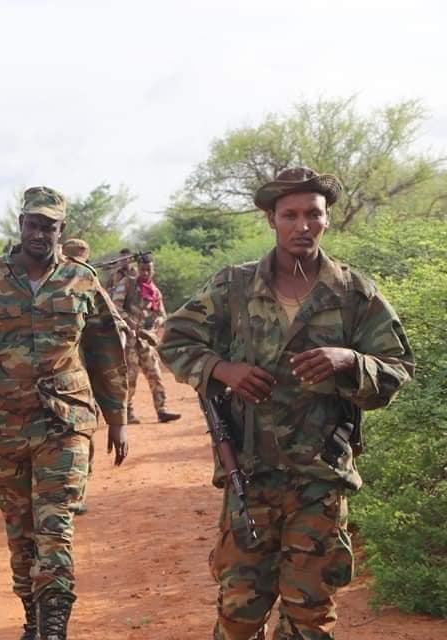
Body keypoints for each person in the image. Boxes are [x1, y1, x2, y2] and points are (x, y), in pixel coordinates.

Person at [158, 167, 414, 640]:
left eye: (313, 214)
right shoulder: (234, 287)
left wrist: (349, 361)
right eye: (290, 215)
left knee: (310, 618)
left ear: (327, 219)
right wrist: (223, 370)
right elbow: (174, 340)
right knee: (239, 614)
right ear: (271, 219)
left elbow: (397, 367)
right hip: (249, 474)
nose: (303, 226)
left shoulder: (354, 293)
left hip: (320, 480)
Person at [0, 187, 131, 640]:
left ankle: (55, 626)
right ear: (21, 225)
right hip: (7, 424)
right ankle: (33, 618)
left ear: (62, 230)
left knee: (55, 523)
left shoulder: (82, 280)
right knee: (20, 528)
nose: (40, 233)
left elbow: (106, 352)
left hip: (67, 421)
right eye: (33, 224)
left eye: (50, 226)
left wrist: (117, 418)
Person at [111, 253, 181, 424]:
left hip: (146, 341)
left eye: (149, 269)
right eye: (142, 269)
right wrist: (130, 324)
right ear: (137, 269)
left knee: (155, 375)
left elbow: (162, 314)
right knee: (130, 377)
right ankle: (127, 412)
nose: (145, 273)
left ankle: (162, 409)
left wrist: (155, 326)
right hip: (129, 340)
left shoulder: (155, 291)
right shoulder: (127, 284)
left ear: (153, 270)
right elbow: (115, 307)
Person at [60, 238, 97, 517]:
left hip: (82, 378)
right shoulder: (60, 284)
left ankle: (76, 490)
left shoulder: (88, 283)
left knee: (83, 433)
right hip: (67, 378)